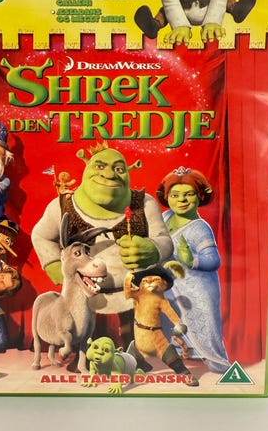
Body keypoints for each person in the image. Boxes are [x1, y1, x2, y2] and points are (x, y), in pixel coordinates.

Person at [32, 143, 173, 346]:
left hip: (132, 295)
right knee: (86, 337)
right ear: (87, 168)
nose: (109, 174)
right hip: (84, 296)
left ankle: (133, 353)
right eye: (100, 166)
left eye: (118, 169)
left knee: (134, 340)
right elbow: (41, 235)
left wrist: (153, 249)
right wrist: (55, 264)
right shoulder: (62, 206)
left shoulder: (144, 203)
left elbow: (164, 240)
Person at [156, 166, 230, 373]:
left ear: (200, 196)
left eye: (188, 194)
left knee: (204, 328)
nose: (181, 200)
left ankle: (216, 364)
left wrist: (191, 260)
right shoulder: (164, 217)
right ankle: (179, 355)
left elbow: (214, 261)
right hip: (171, 286)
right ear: (167, 197)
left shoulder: (200, 228)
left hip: (198, 289)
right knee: (170, 320)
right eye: (175, 195)